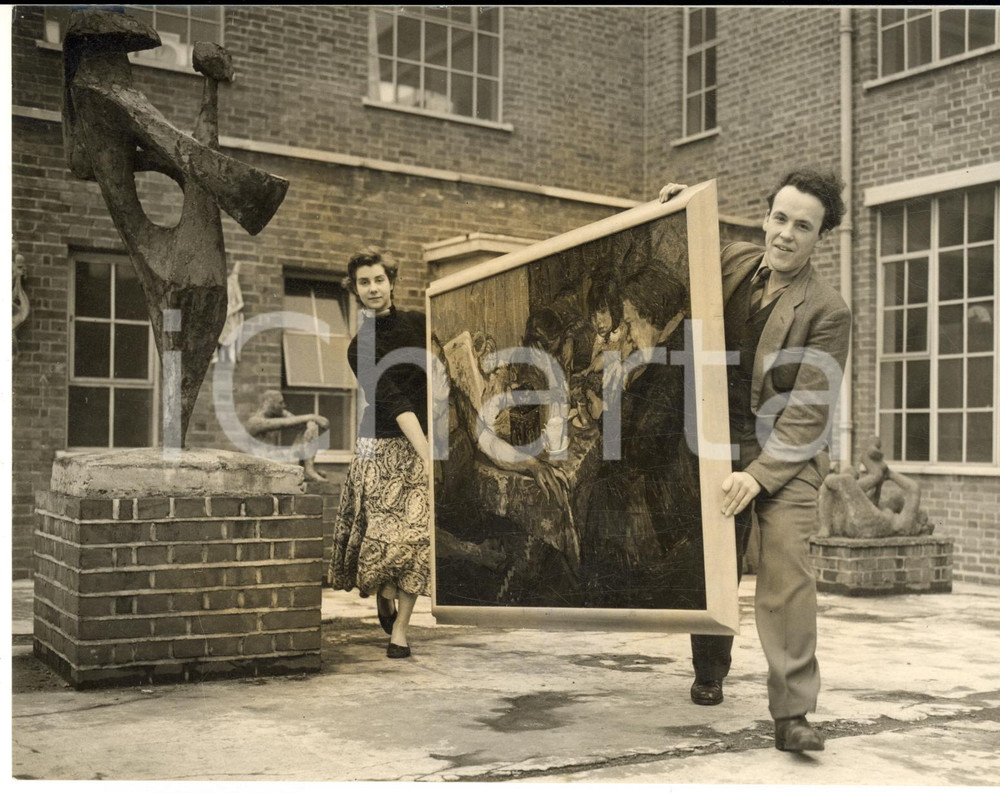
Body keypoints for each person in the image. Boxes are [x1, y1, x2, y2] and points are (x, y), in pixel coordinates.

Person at [660, 170, 851, 753]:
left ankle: (792, 715)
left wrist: (758, 475)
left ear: (821, 238)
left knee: (787, 569)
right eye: (780, 218)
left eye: (803, 226)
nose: (786, 234)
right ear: (765, 218)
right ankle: (709, 668)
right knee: (707, 559)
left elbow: (807, 415)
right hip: (716, 441)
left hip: (786, 455)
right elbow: (681, 248)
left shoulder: (828, 310)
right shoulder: (736, 262)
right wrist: (672, 208)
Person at [327, 248, 431, 659]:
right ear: (355, 290)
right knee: (387, 539)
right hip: (384, 445)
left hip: (423, 441)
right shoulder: (360, 347)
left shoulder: (420, 324)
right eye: (364, 282)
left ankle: (401, 630)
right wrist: (424, 450)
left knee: (416, 539)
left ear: (391, 282)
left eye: (379, 280)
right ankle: (384, 594)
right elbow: (393, 400)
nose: (373, 288)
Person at [245, 390, 329, 483]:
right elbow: (285, 423)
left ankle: (308, 470)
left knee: (312, 427)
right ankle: (306, 471)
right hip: (262, 470)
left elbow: (299, 423)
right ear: (268, 403)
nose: (284, 406)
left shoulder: (275, 415)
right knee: (310, 422)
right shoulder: (254, 422)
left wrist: (310, 423)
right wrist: (312, 417)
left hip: (275, 464)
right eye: (280, 403)